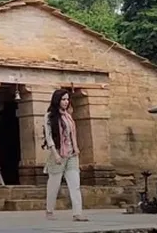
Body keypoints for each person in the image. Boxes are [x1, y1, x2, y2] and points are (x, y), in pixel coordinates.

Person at [42, 89, 87, 221]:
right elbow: (49, 136)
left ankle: (77, 213)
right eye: (63, 99)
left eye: (67, 99)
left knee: (75, 184)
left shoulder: (68, 116)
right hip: (58, 153)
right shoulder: (49, 116)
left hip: (71, 154)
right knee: (54, 185)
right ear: (57, 100)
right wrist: (55, 154)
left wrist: (76, 148)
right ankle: (49, 211)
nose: (66, 102)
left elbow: (72, 134)